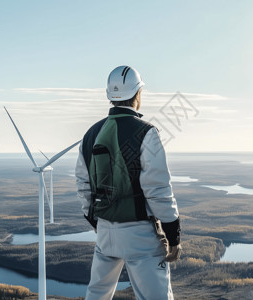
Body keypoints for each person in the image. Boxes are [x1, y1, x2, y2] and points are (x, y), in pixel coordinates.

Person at [75, 65, 181, 300]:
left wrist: (97, 222)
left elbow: (83, 186)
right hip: (140, 235)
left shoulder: (90, 134)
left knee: (98, 294)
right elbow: (158, 189)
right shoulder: (147, 133)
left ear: (110, 96)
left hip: (105, 232)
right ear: (138, 94)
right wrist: (173, 235)